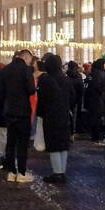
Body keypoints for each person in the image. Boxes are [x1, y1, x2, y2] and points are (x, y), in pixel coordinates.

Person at [36, 54, 74, 183]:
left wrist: (40, 114)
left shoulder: (45, 79)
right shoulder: (66, 79)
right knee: (63, 144)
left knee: (53, 144)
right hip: (64, 114)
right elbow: (73, 96)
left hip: (50, 115)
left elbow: (42, 99)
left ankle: (57, 173)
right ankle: (62, 172)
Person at [1, 49, 36, 183]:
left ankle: (11, 172)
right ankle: (21, 172)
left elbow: (2, 90)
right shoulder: (26, 70)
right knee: (22, 143)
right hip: (22, 111)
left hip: (9, 110)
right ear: (26, 57)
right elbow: (31, 90)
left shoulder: (6, 69)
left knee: (10, 142)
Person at [84, 59, 105, 143]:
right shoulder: (101, 74)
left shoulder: (92, 74)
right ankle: (98, 137)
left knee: (93, 118)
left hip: (91, 100)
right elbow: (100, 88)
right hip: (98, 100)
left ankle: (94, 136)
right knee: (98, 119)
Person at [66, 60, 85, 135]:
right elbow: (81, 89)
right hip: (77, 98)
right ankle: (74, 130)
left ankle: (70, 130)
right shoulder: (79, 76)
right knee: (76, 115)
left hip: (68, 98)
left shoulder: (66, 76)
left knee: (69, 115)